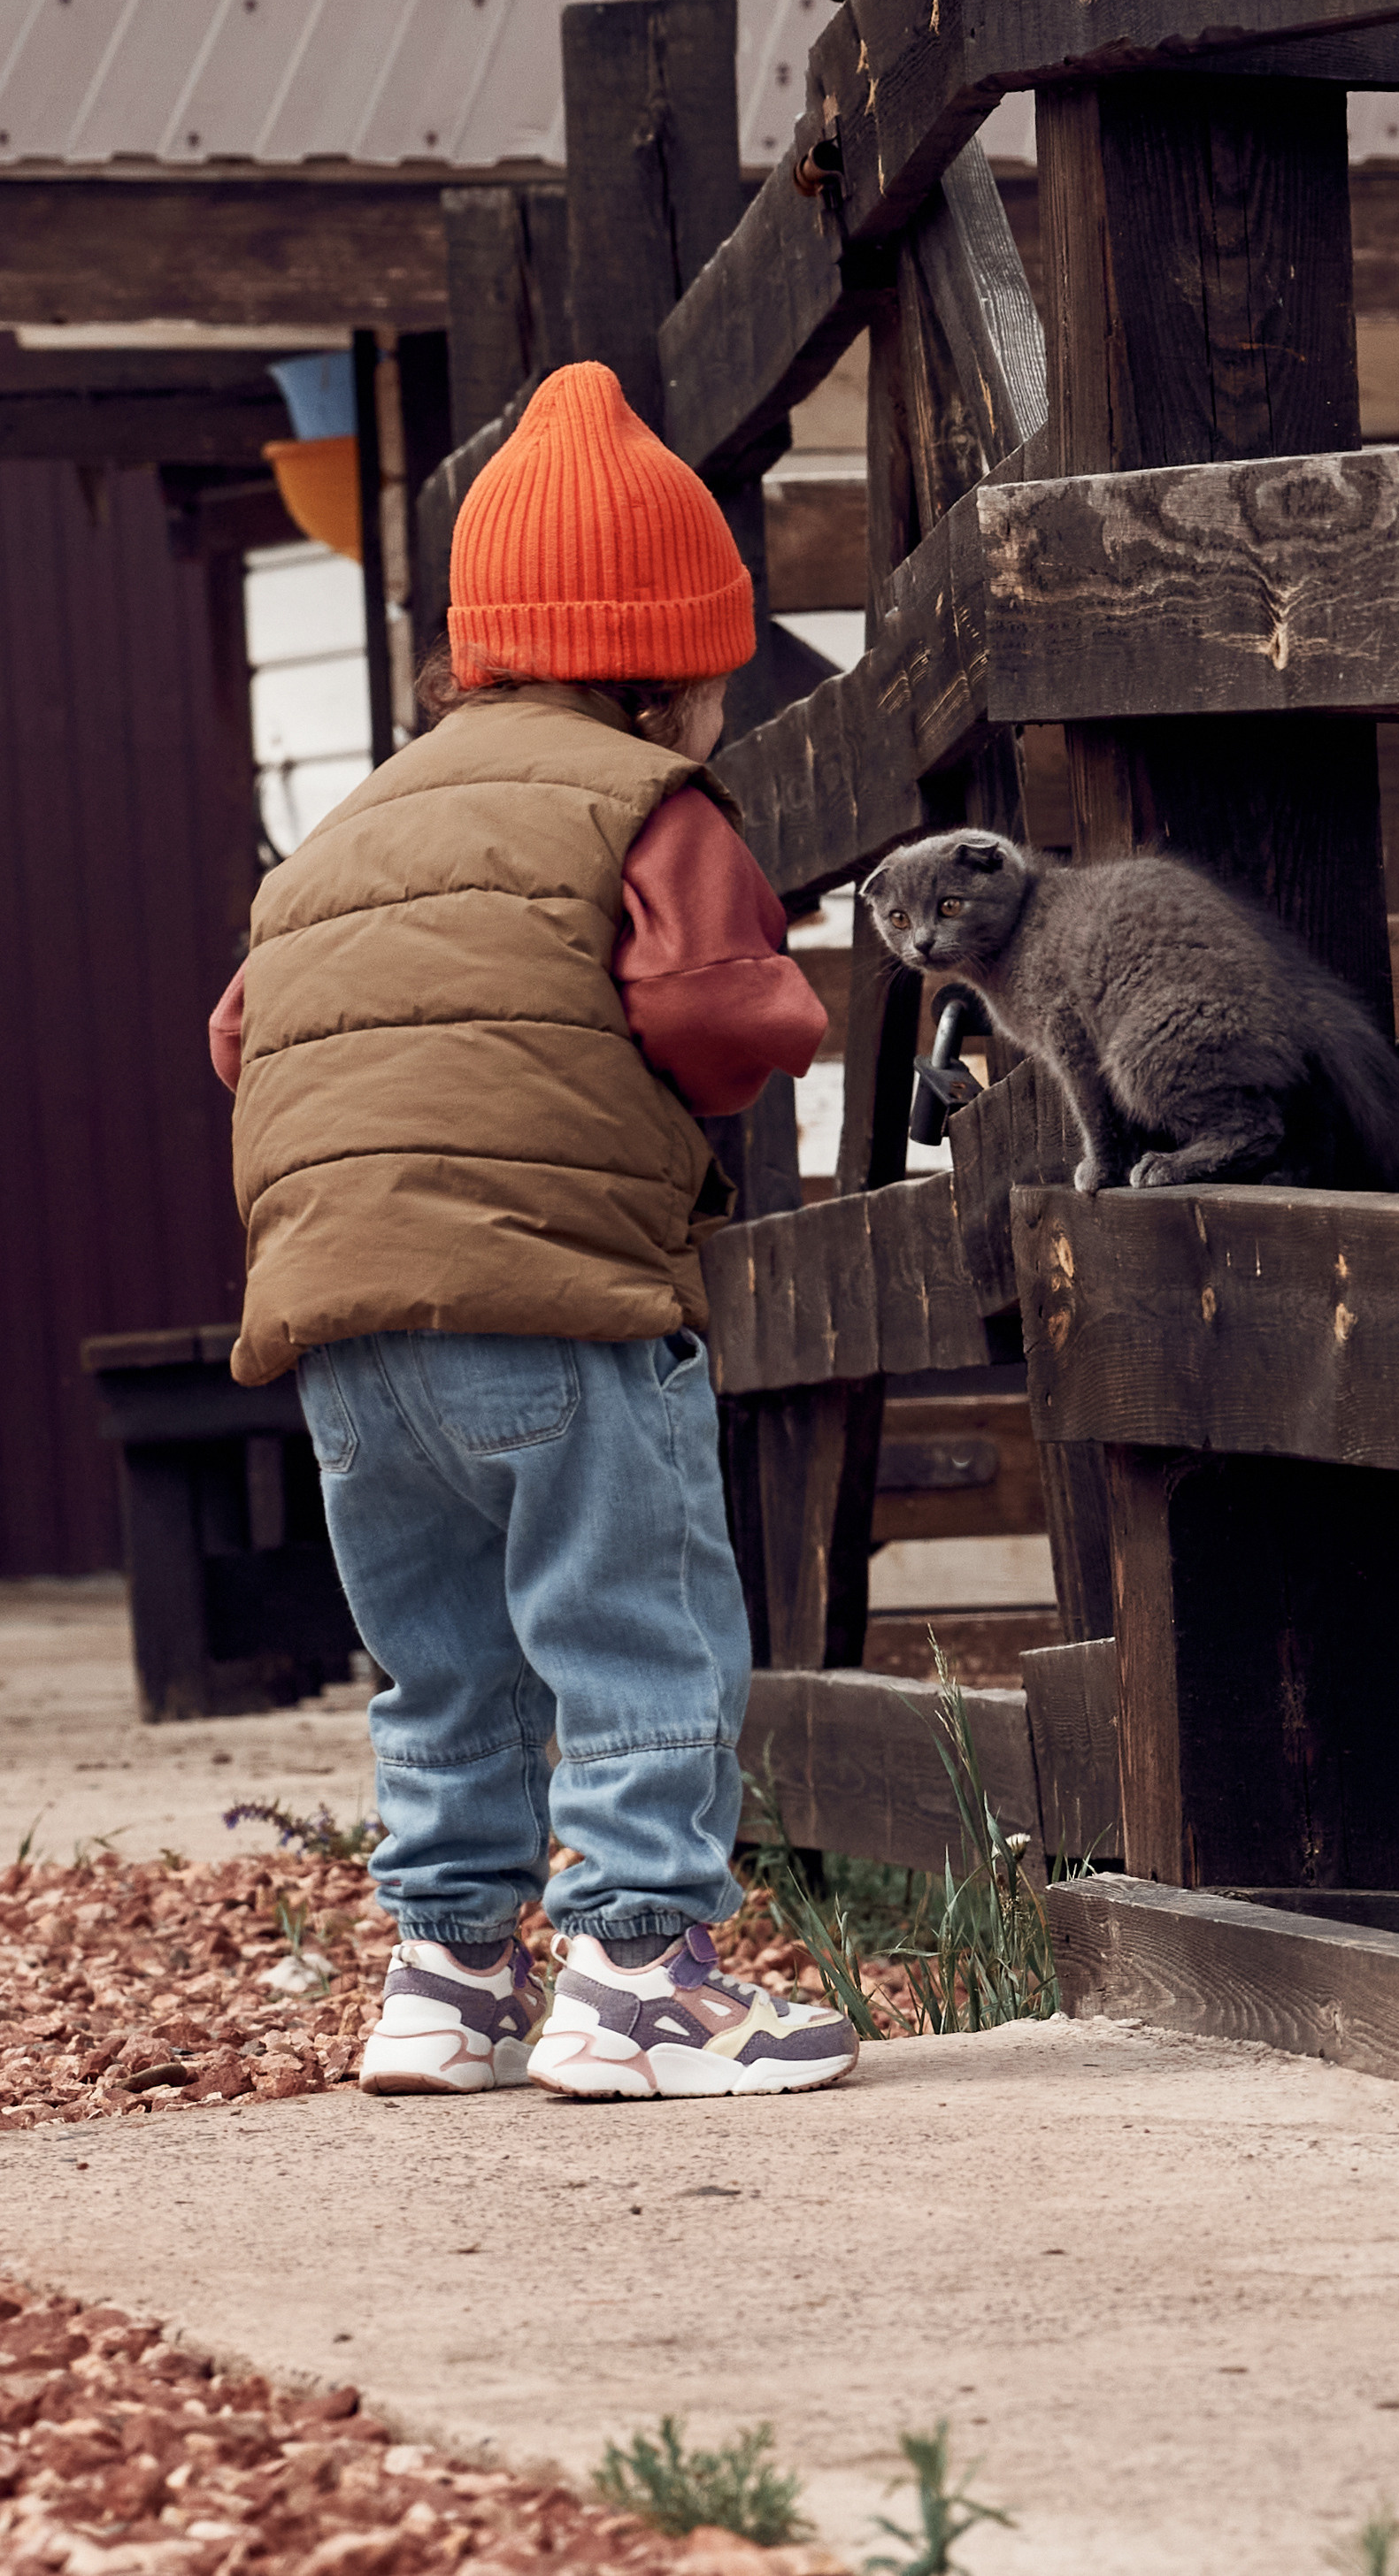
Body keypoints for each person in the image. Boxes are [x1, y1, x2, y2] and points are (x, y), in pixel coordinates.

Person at [208, 361, 858, 2104]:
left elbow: (242, 1034)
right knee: (633, 1625)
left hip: (340, 1320)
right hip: (553, 1301)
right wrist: (788, 1022)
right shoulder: (648, 808)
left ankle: (449, 1971)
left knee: (442, 1658)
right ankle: (644, 1969)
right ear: (679, 675)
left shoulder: (348, 828)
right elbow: (724, 1015)